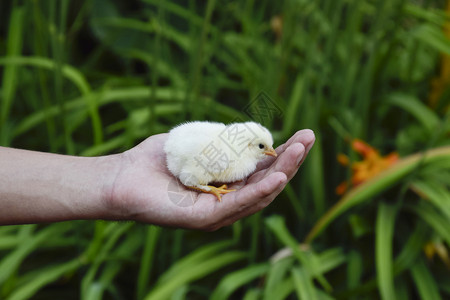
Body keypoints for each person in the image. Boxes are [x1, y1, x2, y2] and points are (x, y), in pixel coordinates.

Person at [0, 129, 315, 230]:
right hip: (189, 161)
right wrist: (205, 186)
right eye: (263, 148)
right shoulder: (234, 155)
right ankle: (204, 185)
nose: (269, 152)